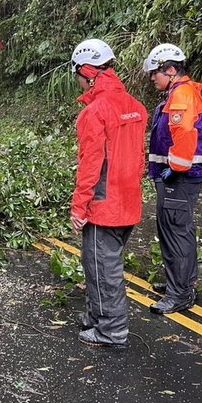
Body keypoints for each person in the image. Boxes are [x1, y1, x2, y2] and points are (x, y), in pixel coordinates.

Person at [70, 39, 148, 349]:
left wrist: (79, 206)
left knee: (104, 269)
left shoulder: (95, 112)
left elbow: (91, 164)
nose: (77, 80)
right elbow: (139, 158)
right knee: (99, 264)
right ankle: (95, 316)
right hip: (127, 201)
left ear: (88, 72)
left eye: (77, 73)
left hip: (104, 205)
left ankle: (111, 330)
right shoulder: (135, 107)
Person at [143, 43, 202, 315]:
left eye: (155, 73)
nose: (152, 78)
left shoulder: (182, 95)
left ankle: (181, 293)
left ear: (170, 70)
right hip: (176, 177)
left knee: (176, 232)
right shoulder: (179, 93)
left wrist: (174, 168)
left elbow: (185, 136)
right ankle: (182, 282)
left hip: (180, 178)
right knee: (176, 229)